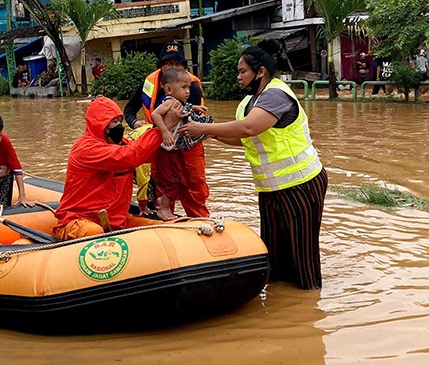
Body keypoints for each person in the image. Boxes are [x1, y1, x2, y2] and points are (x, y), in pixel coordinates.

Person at [178, 39, 327, 290]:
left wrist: (203, 127)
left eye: (242, 71)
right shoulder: (249, 103)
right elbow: (242, 137)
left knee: (303, 257)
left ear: (261, 72)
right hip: (271, 189)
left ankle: (309, 303)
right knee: (274, 254)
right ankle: (281, 305)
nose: (238, 77)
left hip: (301, 185)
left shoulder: (275, 95)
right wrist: (208, 133)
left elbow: (249, 127)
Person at [52, 97, 175, 240]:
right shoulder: (85, 149)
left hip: (118, 221)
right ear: (100, 125)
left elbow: (147, 153)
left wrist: (172, 131)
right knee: (94, 233)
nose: (119, 126)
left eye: (120, 121)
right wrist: (160, 129)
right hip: (79, 219)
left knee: (158, 230)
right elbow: (130, 156)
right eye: (114, 122)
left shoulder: (122, 144)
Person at [123, 41, 210, 218]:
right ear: (161, 66)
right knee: (161, 182)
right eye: (168, 63)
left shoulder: (190, 86)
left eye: (177, 64)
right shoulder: (149, 83)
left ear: (184, 67)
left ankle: (199, 219)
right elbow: (130, 109)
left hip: (187, 143)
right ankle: (164, 215)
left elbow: (186, 111)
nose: (172, 67)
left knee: (193, 185)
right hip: (159, 141)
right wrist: (135, 123)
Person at [150, 67, 213, 220]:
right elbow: (154, 114)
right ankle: (163, 208)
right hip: (165, 151)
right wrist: (164, 131)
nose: (188, 92)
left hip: (173, 150)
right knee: (173, 183)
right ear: (169, 89)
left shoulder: (177, 103)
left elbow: (185, 109)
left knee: (181, 182)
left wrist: (195, 107)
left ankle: (163, 204)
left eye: (188, 88)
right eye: (184, 88)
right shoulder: (169, 102)